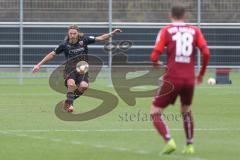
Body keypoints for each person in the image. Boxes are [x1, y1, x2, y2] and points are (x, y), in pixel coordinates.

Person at [150, 5, 210, 154]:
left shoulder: (166, 31)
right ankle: (189, 145)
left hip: (172, 78)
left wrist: (157, 63)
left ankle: (169, 140)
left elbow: (154, 56)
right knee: (186, 111)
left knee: (155, 112)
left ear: (170, 14)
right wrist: (201, 74)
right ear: (185, 15)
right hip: (189, 79)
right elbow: (206, 53)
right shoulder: (195, 30)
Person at [32, 24, 122, 112]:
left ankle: (68, 101)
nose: (72, 35)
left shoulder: (85, 40)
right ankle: (70, 105)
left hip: (82, 70)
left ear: (78, 33)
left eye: (74, 33)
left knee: (83, 86)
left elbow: (101, 38)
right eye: (70, 33)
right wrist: (39, 64)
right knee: (71, 85)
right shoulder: (64, 45)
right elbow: (52, 54)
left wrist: (112, 33)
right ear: (68, 34)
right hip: (70, 69)